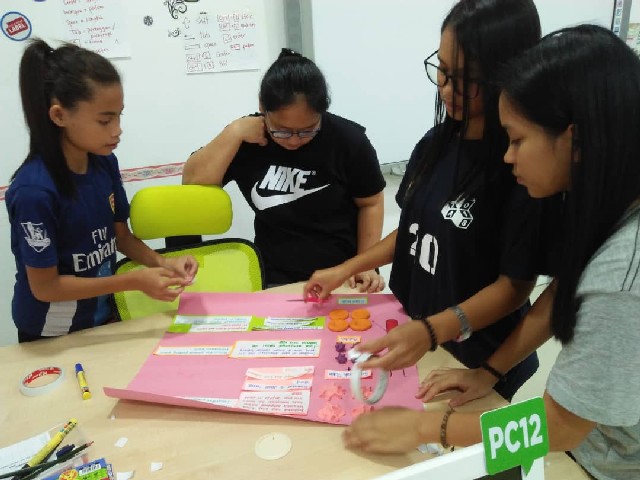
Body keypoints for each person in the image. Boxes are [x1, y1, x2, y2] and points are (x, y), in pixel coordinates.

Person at [344, 25, 640, 479]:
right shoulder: (611, 209)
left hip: (601, 466)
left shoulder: (622, 278)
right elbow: (562, 291)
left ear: (575, 140)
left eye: (517, 140)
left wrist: (425, 427)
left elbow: (558, 428)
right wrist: (488, 372)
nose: (507, 156)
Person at [304, 0, 554, 401]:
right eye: (443, 70)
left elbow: (515, 286)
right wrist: (347, 267)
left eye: (466, 79)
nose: (447, 89)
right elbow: (414, 229)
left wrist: (437, 334)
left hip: (476, 356)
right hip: (418, 335)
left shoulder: (522, 167)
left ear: (507, 75)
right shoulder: (436, 142)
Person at [6, 39, 198, 342]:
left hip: (100, 317)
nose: (117, 129)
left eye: (119, 115)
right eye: (105, 120)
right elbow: (45, 287)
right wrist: (134, 280)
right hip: (50, 332)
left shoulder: (104, 163)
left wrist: (164, 264)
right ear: (59, 116)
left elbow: (120, 236)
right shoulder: (34, 192)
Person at [182, 48, 386, 290]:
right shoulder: (247, 138)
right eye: (282, 130)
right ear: (262, 107)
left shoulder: (348, 140)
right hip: (273, 275)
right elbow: (193, 183)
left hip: (341, 274)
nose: (294, 140)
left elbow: (371, 203)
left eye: (308, 130)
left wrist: (364, 264)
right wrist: (234, 132)